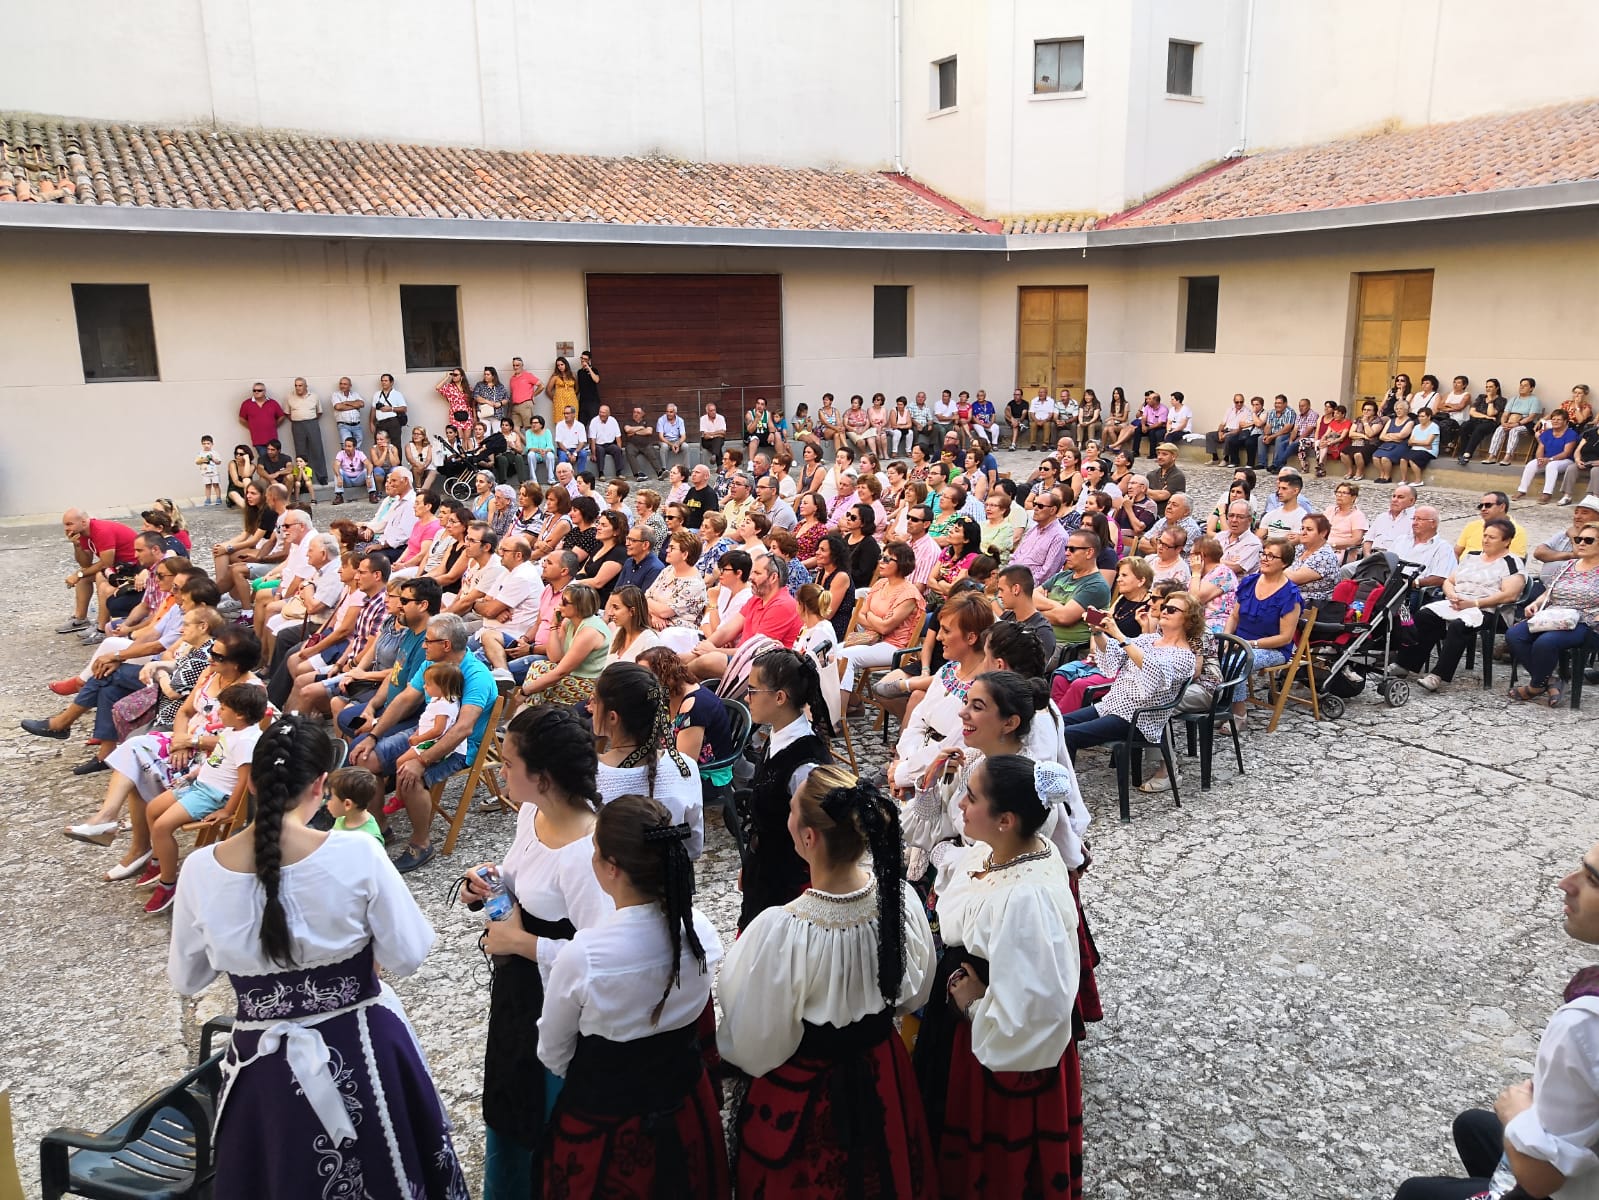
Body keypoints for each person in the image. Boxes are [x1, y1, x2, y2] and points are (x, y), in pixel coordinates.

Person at [168, 715, 468, 1197]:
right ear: (321, 784)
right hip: (364, 1048)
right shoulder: (357, 854)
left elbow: (188, 976)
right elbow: (408, 954)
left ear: (256, 781)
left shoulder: (201, 870)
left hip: (261, 1065)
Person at [719, 766, 937, 1200]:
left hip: (804, 1092)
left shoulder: (781, 931)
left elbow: (752, 1038)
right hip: (882, 1070)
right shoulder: (900, 902)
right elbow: (915, 991)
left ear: (808, 838)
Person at [457, 705, 613, 1197]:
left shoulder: (589, 851)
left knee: (544, 1113)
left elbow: (603, 955)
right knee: (510, 1099)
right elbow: (522, 877)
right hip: (519, 993)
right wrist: (491, 883)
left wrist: (523, 943)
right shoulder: (531, 812)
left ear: (542, 777)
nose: (499, 771)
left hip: (557, 1005)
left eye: (507, 763)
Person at [537, 793, 727, 1198]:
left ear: (610, 868)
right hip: (687, 1109)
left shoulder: (585, 956)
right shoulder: (702, 934)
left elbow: (553, 1052)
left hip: (605, 1122)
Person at [912, 754, 1083, 1200]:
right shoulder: (1002, 850)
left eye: (971, 797)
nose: (962, 806)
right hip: (961, 1014)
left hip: (993, 1033)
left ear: (1006, 819)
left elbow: (1038, 1006)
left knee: (990, 1157)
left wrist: (974, 1005)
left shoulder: (1028, 899)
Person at [1393, 842, 1599, 1200]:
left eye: (1593, 879)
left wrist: (1518, 1116)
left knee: (1416, 1193)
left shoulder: (1583, 1023)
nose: (1565, 883)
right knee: (1472, 1126)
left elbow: (1542, 1179)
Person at [1056, 588, 1201, 757]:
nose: (1164, 612)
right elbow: (1115, 652)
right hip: (1112, 706)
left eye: (1172, 610)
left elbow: (1152, 668)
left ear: (1189, 620)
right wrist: (1097, 631)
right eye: (1164, 607)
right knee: (1056, 723)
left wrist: (1118, 634)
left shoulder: (1185, 656)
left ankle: (1064, 782)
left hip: (1139, 718)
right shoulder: (1149, 639)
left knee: (1068, 735)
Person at [1391, 518, 1525, 693]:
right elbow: (1449, 581)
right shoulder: (1472, 556)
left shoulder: (1511, 563)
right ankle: (1405, 664)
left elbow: (1510, 595)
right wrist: (1452, 595)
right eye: (1485, 536)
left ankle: (1438, 675)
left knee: (1459, 626)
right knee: (1425, 616)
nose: (1485, 540)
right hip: (1458, 602)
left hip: (1487, 609)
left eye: (1492, 537)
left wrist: (1474, 603)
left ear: (1506, 541)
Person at [1505, 520, 1599, 706]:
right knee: (1514, 635)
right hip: (1553, 616)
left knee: (1545, 642)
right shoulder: (1568, 565)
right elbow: (1550, 590)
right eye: (1578, 539)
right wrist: (1535, 603)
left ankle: (1535, 686)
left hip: (1585, 622)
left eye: (1588, 540)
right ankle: (1550, 681)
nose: (1581, 543)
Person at [1225, 538, 1304, 724]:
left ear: (1284, 563)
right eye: (1264, 554)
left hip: (1272, 648)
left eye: (1271, 556)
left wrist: (1249, 644)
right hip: (1240, 641)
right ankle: (1215, 703)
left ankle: (1238, 712)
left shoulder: (1290, 595)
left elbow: (1284, 638)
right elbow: (1234, 617)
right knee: (1208, 653)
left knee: (1236, 662)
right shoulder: (1250, 582)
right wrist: (1228, 638)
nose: (1265, 559)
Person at [1036, 529, 1113, 650]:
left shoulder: (1097, 586)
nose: (1066, 553)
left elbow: (1064, 618)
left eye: (1072, 549)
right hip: (1040, 638)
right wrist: (1058, 606)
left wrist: (1036, 612)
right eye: (1066, 548)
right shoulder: (1062, 576)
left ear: (1089, 552)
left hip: (1064, 648)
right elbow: (1032, 597)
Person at [1514, 407, 1579, 503]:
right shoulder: (1547, 433)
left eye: (1559, 419)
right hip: (1547, 459)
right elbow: (1540, 448)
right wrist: (1540, 459)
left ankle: (1547, 494)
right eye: (1553, 419)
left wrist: (1550, 459)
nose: (1555, 421)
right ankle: (1522, 490)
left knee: (1551, 465)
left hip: (1565, 461)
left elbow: (1566, 453)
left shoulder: (1571, 434)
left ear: (1566, 421)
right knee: (1531, 464)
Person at [1485, 377, 1543, 465]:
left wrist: (1517, 424)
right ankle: (1492, 456)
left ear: (1531, 388)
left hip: (1526, 424)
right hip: (1510, 422)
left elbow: (1531, 417)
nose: (1521, 387)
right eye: (1521, 385)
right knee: (1500, 429)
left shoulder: (1535, 400)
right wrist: (1503, 423)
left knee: (1514, 431)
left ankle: (1508, 457)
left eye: (1525, 386)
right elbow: (1505, 414)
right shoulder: (1513, 399)